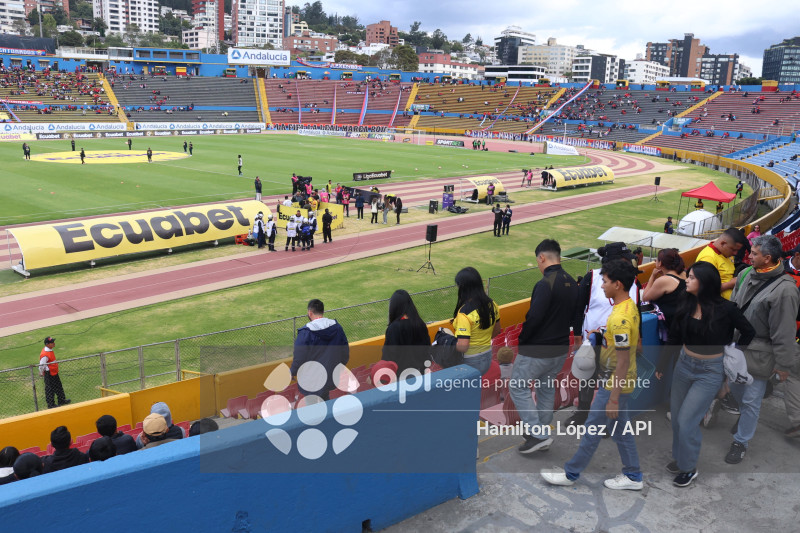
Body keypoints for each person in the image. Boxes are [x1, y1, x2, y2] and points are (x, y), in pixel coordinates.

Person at [541, 259, 644, 491]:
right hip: (621, 381)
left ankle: (571, 473)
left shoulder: (620, 318)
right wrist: (603, 335)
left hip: (614, 384)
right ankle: (634, 475)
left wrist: (614, 398)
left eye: (605, 282)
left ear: (617, 284)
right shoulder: (628, 307)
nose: (601, 286)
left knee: (592, 429)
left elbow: (623, 360)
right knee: (621, 430)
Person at [656, 261, 754, 487]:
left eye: (691, 277)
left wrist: (733, 355)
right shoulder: (686, 302)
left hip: (710, 371)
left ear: (705, 283)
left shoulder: (727, 309)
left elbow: (748, 332)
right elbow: (673, 338)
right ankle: (681, 458)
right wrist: (661, 366)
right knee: (677, 420)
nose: (686, 280)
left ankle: (689, 468)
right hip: (683, 365)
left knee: (687, 420)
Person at [726, 236, 800, 464]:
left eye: (754, 253)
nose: (749, 256)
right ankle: (745, 416)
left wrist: (783, 365)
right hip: (736, 347)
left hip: (760, 354)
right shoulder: (746, 273)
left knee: (751, 401)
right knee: (736, 392)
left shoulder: (786, 290)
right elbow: (733, 305)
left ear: (767, 258)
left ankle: (741, 441)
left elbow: (784, 332)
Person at [511, 239, 579, 454]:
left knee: (518, 387)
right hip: (560, 348)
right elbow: (577, 315)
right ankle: (540, 433)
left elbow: (534, 317)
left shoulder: (545, 283)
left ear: (542, 258)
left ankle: (538, 433)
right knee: (546, 388)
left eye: (538, 261)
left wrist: (523, 340)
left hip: (538, 349)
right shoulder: (571, 281)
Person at [568, 243, 640, 426]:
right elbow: (578, 308)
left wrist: (639, 337)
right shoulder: (592, 277)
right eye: (624, 258)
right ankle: (582, 413)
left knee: (613, 380)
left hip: (617, 341)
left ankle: (608, 421)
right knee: (587, 378)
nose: (628, 261)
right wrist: (577, 335)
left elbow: (637, 310)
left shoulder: (631, 280)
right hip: (593, 339)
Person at [290, 299, 350, 401]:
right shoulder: (337, 328)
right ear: (322, 311)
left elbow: (299, 358)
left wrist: (292, 372)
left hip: (311, 383)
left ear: (310, 313)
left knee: (313, 411)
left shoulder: (305, 333)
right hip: (331, 379)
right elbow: (345, 352)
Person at [452, 267, 501, 375]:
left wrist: (446, 342)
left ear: (463, 288)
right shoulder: (492, 304)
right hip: (488, 356)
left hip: (470, 361)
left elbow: (463, 346)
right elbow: (497, 330)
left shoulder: (464, 313)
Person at [381, 290, 432, 374]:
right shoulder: (420, 323)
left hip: (402, 377)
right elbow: (427, 350)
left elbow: (388, 357)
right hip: (420, 373)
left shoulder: (394, 328)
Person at [642, 248, 686, 331]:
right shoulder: (684, 274)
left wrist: (652, 276)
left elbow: (645, 297)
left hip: (673, 327)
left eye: (656, 260)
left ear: (660, 263)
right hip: (685, 320)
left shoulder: (664, 280)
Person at [39, 336, 70, 409]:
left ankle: (61, 400)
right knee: (50, 389)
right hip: (49, 374)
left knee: (59, 387)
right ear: (47, 344)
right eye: (51, 342)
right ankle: (51, 405)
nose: (53, 343)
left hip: (54, 372)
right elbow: (41, 365)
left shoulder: (49, 350)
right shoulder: (45, 354)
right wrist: (41, 372)